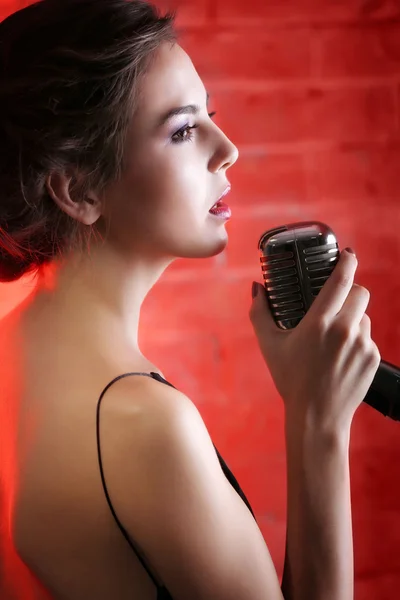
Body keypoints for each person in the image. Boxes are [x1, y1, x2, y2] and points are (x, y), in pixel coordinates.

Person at [0, 1, 381, 599]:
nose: (227, 148)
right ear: (77, 188)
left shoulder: (12, 352)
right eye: (182, 130)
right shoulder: (147, 429)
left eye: (212, 116)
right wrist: (320, 423)